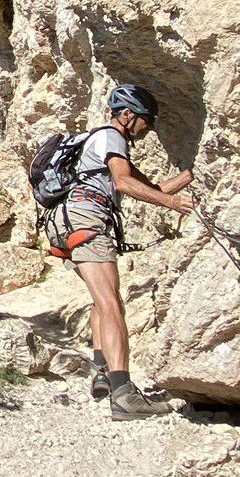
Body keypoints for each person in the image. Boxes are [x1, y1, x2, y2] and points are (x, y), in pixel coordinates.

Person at [48, 82, 195, 419]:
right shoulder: (111, 136)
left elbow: (149, 188)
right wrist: (172, 204)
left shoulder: (103, 143)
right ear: (127, 115)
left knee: (103, 299)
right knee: (112, 302)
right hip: (87, 220)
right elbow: (123, 184)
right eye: (146, 119)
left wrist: (191, 177)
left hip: (69, 221)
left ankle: (101, 373)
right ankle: (124, 393)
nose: (149, 126)